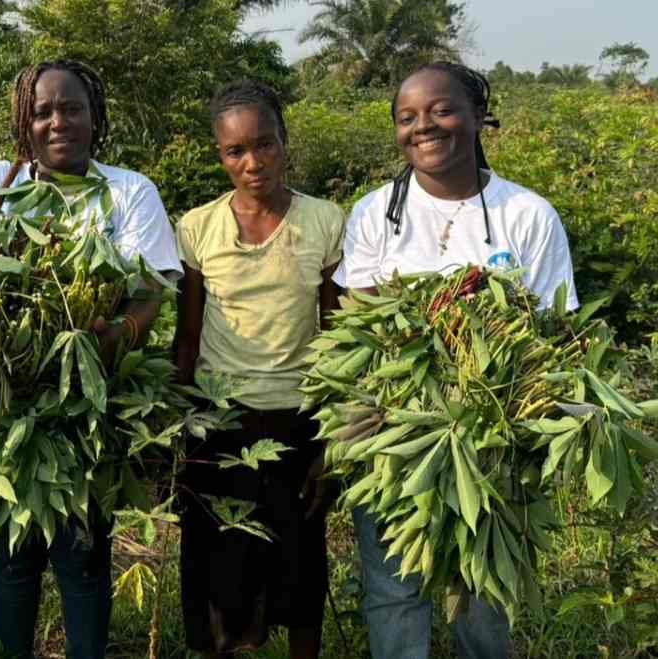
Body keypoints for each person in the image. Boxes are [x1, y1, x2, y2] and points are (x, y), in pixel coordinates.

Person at [0, 59, 181, 659]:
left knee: (83, 554)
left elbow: (151, 291)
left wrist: (111, 338)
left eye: (72, 108)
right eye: (42, 111)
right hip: (2, 405)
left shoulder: (128, 191)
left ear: (94, 116)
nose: (58, 122)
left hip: (88, 403)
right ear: (23, 122)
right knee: (10, 558)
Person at [334, 62, 579, 659]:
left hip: (495, 435)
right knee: (395, 589)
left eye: (441, 110)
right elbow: (362, 328)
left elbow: (555, 332)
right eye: (407, 117)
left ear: (477, 116)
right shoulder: (375, 213)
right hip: (395, 432)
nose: (423, 126)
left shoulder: (527, 214)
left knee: (484, 591)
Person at [173, 79, 344, 658]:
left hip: (299, 419)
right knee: (220, 565)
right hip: (220, 423)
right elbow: (188, 337)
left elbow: (337, 337)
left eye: (264, 144)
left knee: (301, 563)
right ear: (220, 156)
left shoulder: (323, 221)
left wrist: (333, 438)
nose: (253, 163)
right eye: (235, 151)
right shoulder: (198, 227)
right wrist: (175, 430)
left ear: (284, 140)